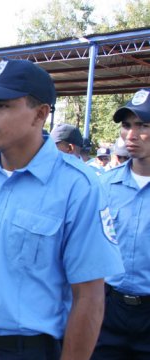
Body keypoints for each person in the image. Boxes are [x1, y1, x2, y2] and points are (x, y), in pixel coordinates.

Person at [0, 59, 124, 360]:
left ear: (40, 114)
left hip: (25, 350)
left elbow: (88, 296)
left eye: (3, 105)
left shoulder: (77, 186)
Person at [92, 88, 150, 359]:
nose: (131, 134)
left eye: (143, 125)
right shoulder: (104, 185)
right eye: (127, 125)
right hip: (108, 308)